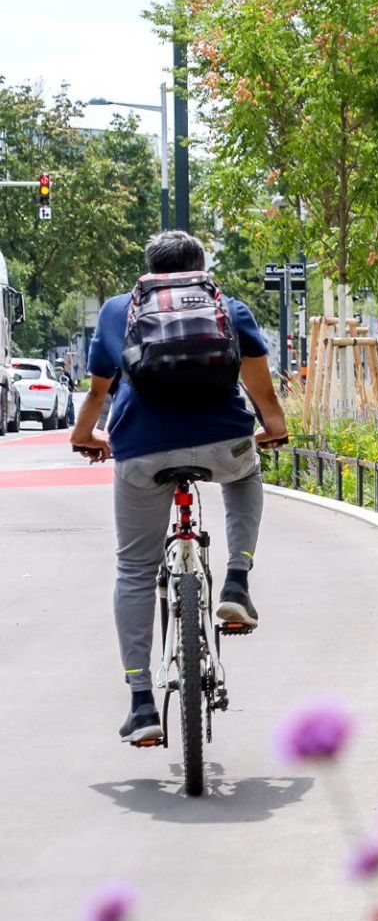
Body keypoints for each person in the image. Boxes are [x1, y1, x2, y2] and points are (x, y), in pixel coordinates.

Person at [71, 231, 288, 745]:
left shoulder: (117, 311)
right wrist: (274, 429)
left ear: (148, 268)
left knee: (134, 568)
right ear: (199, 268)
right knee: (244, 470)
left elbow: (97, 391)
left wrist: (86, 438)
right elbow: (261, 390)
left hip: (141, 450)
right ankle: (237, 579)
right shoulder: (227, 307)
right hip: (222, 441)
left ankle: (142, 700)